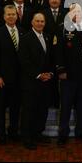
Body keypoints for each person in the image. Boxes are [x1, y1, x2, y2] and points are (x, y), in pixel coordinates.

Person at [55, 4, 82, 145]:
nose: (77, 13)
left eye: (79, 11)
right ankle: (63, 133)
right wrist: (61, 70)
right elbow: (58, 51)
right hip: (69, 75)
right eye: (73, 11)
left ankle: (81, 131)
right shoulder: (63, 28)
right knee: (65, 106)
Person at [19, 13, 54, 150]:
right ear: (32, 22)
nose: (40, 23)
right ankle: (27, 137)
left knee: (42, 109)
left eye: (42, 21)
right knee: (29, 111)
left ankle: (38, 133)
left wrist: (50, 73)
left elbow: (51, 57)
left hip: (45, 82)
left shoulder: (47, 36)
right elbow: (24, 61)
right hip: (31, 82)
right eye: (37, 21)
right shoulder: (26, 38)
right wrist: (39, 75)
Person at [0, 5, 24, 145]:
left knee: (15, 107)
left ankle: (13, 131)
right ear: (4, 16)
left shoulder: (22, 32)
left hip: (18, 78)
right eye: (8, 14)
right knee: (1, 108)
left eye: (13, 14)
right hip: (2, 78)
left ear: (17, 16)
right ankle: (2, 134)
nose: (11, 16)